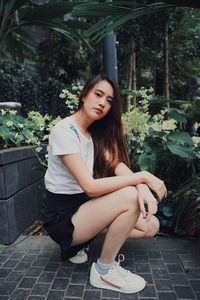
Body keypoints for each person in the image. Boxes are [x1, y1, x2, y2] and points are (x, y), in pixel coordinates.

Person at [42, 74, 167, 294]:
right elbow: (89, 186)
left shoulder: (94, 134)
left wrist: (142, 188)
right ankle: (103, 271)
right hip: (64, 218)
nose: (102, 103)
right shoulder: (64, 130)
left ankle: (89, 239)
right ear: (84, 96)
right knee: (128, 197)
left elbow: (116, 164)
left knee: (151, 226)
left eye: (109, 100)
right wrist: (143, 177)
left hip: (84, 209)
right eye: (98, 95)